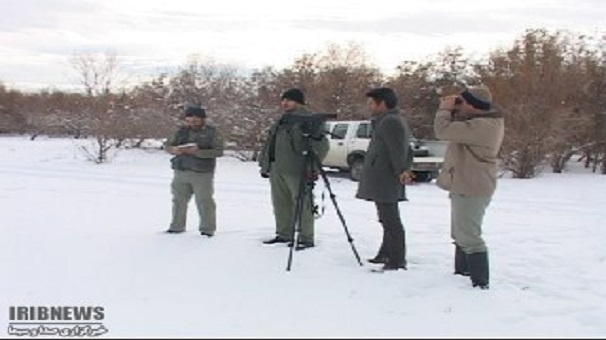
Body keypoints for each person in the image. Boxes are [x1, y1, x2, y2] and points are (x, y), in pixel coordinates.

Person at [433, 85, 504, 289]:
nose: (458, 105)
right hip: (466, 183)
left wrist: (445, 110)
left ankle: (480, 283)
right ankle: (462, 273)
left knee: (470, 237)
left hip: (473, 186)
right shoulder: (479, 121)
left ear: (473, 105)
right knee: (460, 234)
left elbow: (442, 130)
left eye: (462, 102)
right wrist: (456, 108)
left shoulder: (484, 126)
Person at [258, 88, 329, 250]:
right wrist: (265, 164)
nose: (285, 103)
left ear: (299, 102)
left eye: (289, 100)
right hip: (278, 168)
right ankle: (284, 233)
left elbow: (322, 146)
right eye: (283, 100)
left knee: (303, 204)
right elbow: (270, 143)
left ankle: (306, 237)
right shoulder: (282, 119)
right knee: (280, 203)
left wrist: (312, 168)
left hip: (298, 169)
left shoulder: (310, 119)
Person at [355, 87, 413, 271]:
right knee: (385, 218)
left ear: (383, 103)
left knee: (390, 219)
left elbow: (398, 150)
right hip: (382, 175)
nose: (369, 107)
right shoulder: (386, 121)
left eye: (372, 103)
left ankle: (397, 259)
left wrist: (402, 170)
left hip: (386, 177)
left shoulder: (390, 122)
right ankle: (386, 252)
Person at [164, 106, 224, 237]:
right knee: (178, 201)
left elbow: (219, 151)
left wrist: (199, 152)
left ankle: (207, 230)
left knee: (204, 201)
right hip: (181, 170)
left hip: (202, 172)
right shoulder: (180, 131)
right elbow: (167, 146)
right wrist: (174, 150)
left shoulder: (212, 132)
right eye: (189, 117)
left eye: (196, 118)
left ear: (203, 118)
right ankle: (176, 227)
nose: (192, 120)